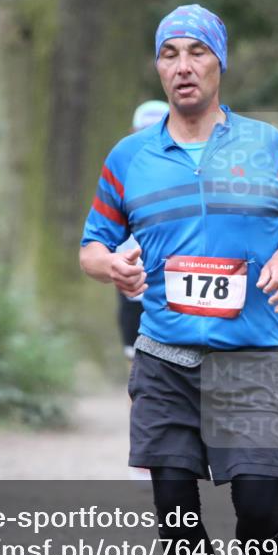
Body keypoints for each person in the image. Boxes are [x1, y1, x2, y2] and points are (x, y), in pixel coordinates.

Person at [79, 4, 278, 555]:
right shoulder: (129, 157)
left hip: (250, 354)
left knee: (261, 508)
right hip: (164, 357)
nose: (182, 67)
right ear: (158, 66)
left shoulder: (265, 145)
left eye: (196, 53)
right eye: (169, 54)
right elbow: (92, 245)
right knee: (175, 510)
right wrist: (115, 269)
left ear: (220, 62)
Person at [116, 100, 171, 361]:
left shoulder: (188, 169)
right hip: (133, 273)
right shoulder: (121, 169)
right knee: (135, 352)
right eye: (144, 131)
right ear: (132, 132)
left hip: (177, 274)